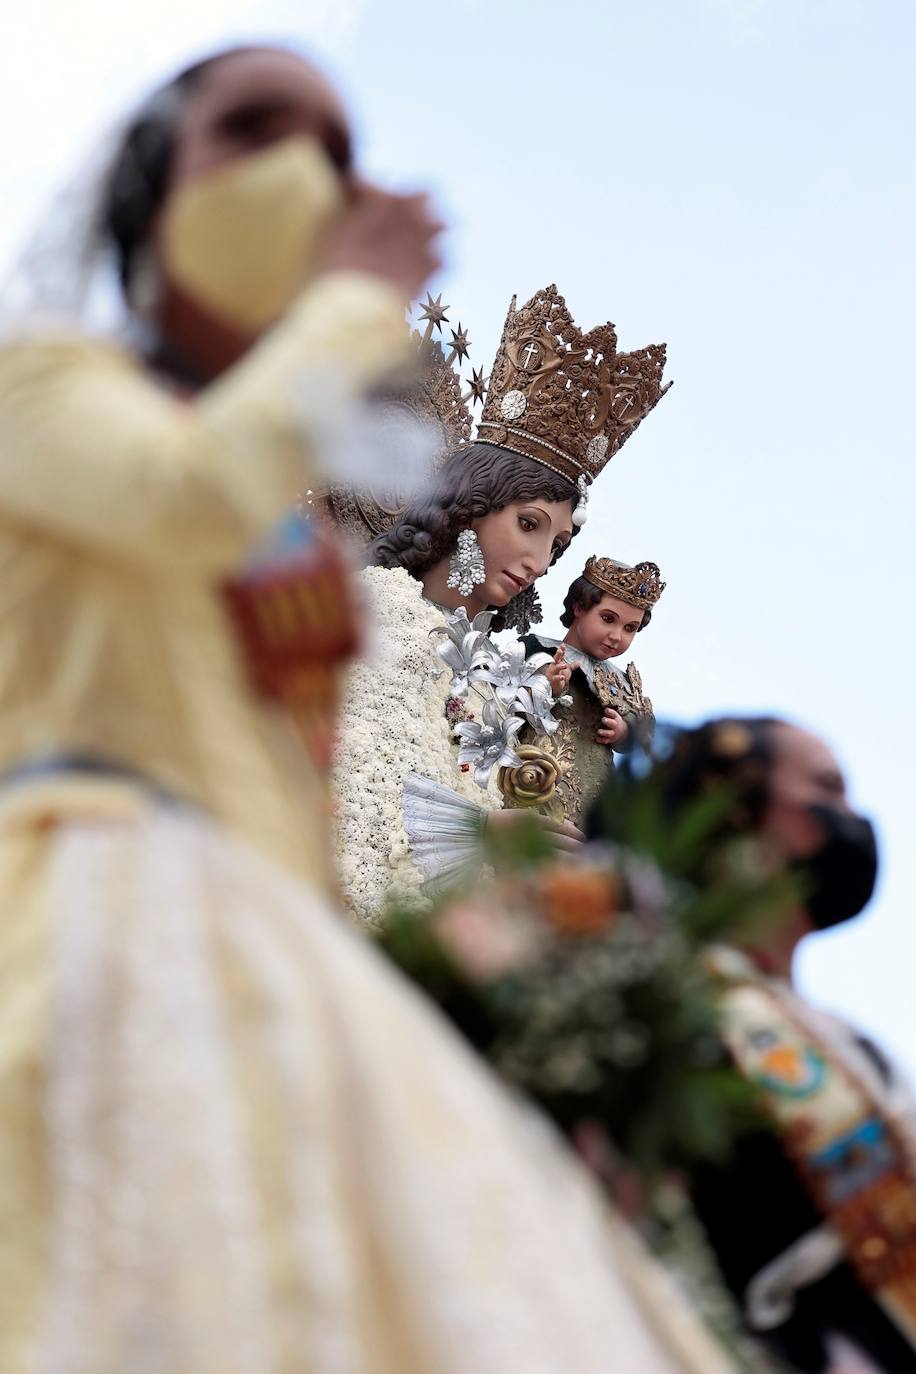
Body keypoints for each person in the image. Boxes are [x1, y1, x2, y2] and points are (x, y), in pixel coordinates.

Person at [0, 45, 717, 1374]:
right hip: (78, 905)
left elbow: (333, 799)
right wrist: (349, 307)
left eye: (330, 149)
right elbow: (180, 493)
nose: (294, 174)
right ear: (150, 184)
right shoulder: (41, 385)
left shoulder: (306, 560)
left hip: (272, 953)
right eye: (250, 130)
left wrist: (522, 925)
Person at [332, 284, 672, 924]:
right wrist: (483, 836)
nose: (541, 562)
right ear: (471, 505)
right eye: (530, 525)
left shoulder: (494, 672)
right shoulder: (375, 611)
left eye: (558, 542)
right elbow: (353, 786)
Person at [595, 717, 916, 1374]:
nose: (852, 817)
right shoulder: (656, 1001)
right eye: (827, 788)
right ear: (738, 816)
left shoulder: (854, 1046)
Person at [517, 555, 665, 827]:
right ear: (579, 607)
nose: (617, 636)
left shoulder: (622, 682)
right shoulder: (538, 650)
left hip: (594, 795)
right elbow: (500, 704)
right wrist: (545, 687)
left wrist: (623, 733)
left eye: (629, 628)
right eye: (608, 619)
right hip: (532, 781)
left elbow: (646, 737)